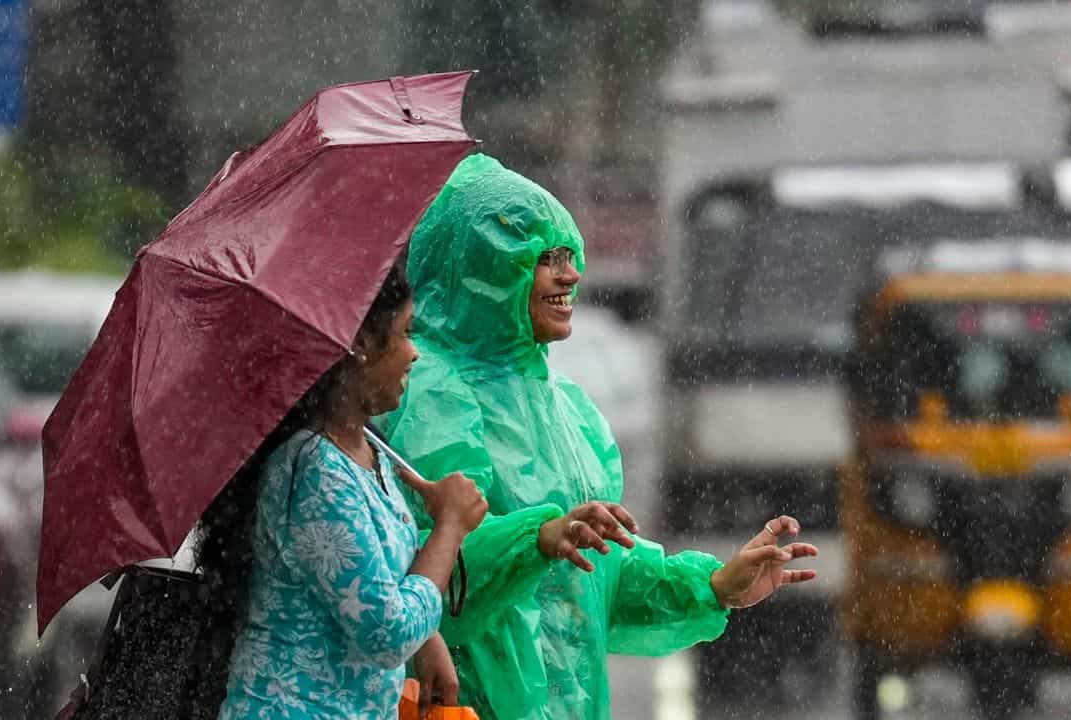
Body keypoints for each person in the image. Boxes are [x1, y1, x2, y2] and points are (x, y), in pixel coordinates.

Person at [376, 154, 820, 720]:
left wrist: (712, 586)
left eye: (570, 256)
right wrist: (537, 538)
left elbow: (595, 577)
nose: (571, 275)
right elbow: (428, 578)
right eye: (544, 259)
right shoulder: (431, 392)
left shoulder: (567, 409)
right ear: (483, 270)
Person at [198, 262, 639, 719]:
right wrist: (448, 526)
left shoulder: (369, 449)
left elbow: (377, 577)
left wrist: (430, 641)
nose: (415, 354)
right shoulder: (313, 473)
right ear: (361, 346)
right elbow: (385, 630)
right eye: (407, 333)